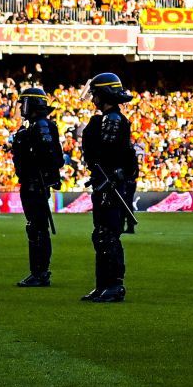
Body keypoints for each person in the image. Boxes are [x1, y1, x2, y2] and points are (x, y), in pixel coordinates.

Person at [79, 73, 138, 303]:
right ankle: (103, 284)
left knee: (108, 235)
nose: (92, 98)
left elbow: (108, 152)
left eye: (95, 93)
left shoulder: (111, 120)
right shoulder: (107, 119)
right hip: (106, 182)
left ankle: (113, 285)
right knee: (102, 234)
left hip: (110, 184)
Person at [12, 86, 63, 288]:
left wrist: (45, 175)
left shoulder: (40, 127)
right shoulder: (35, 127)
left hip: (36, 183)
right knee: (36, 227)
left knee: (37, 228)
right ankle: (38, 272)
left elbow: (51, 157)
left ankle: (40, 273)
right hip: (33, 182)